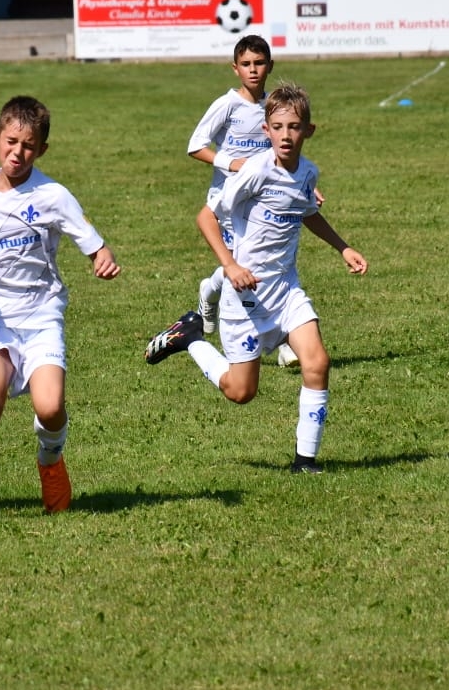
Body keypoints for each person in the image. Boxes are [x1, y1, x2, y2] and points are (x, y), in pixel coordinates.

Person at [144, 83, 367, 474]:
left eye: (294, 127)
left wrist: (343, 247)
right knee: (241, 391)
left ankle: (305, 461)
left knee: (317, 362)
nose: (286, 135)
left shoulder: (308, 173)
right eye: (277, 127)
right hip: (246, 296)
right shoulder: (254, 172)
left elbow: (306, 212)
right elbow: (206, 217)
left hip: (286, 289)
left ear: (309, 131)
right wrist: (230, 266)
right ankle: (190, 338)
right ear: (266, 130)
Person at [0, 96, 122, 521]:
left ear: (41, 149)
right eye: (11, 142)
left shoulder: (52, 196)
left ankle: (50, 462)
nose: (17, 153)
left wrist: (102, 258)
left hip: (41, 313)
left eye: (28, 146)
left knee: (50, 407)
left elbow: (94, 243)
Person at [187, 35, 300, 368]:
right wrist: (233, 163)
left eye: (259, 63)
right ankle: (280, 340)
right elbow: (195, 145)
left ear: (270, 66)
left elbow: (281, 152)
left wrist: (301, 187)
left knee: (263, 263)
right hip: (226, 203)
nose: (253, 70)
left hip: (263, 201)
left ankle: (280, 337)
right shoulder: (227, 105)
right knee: (242, 266)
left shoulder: (273, 107)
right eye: (246, 64)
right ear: (235, 68)